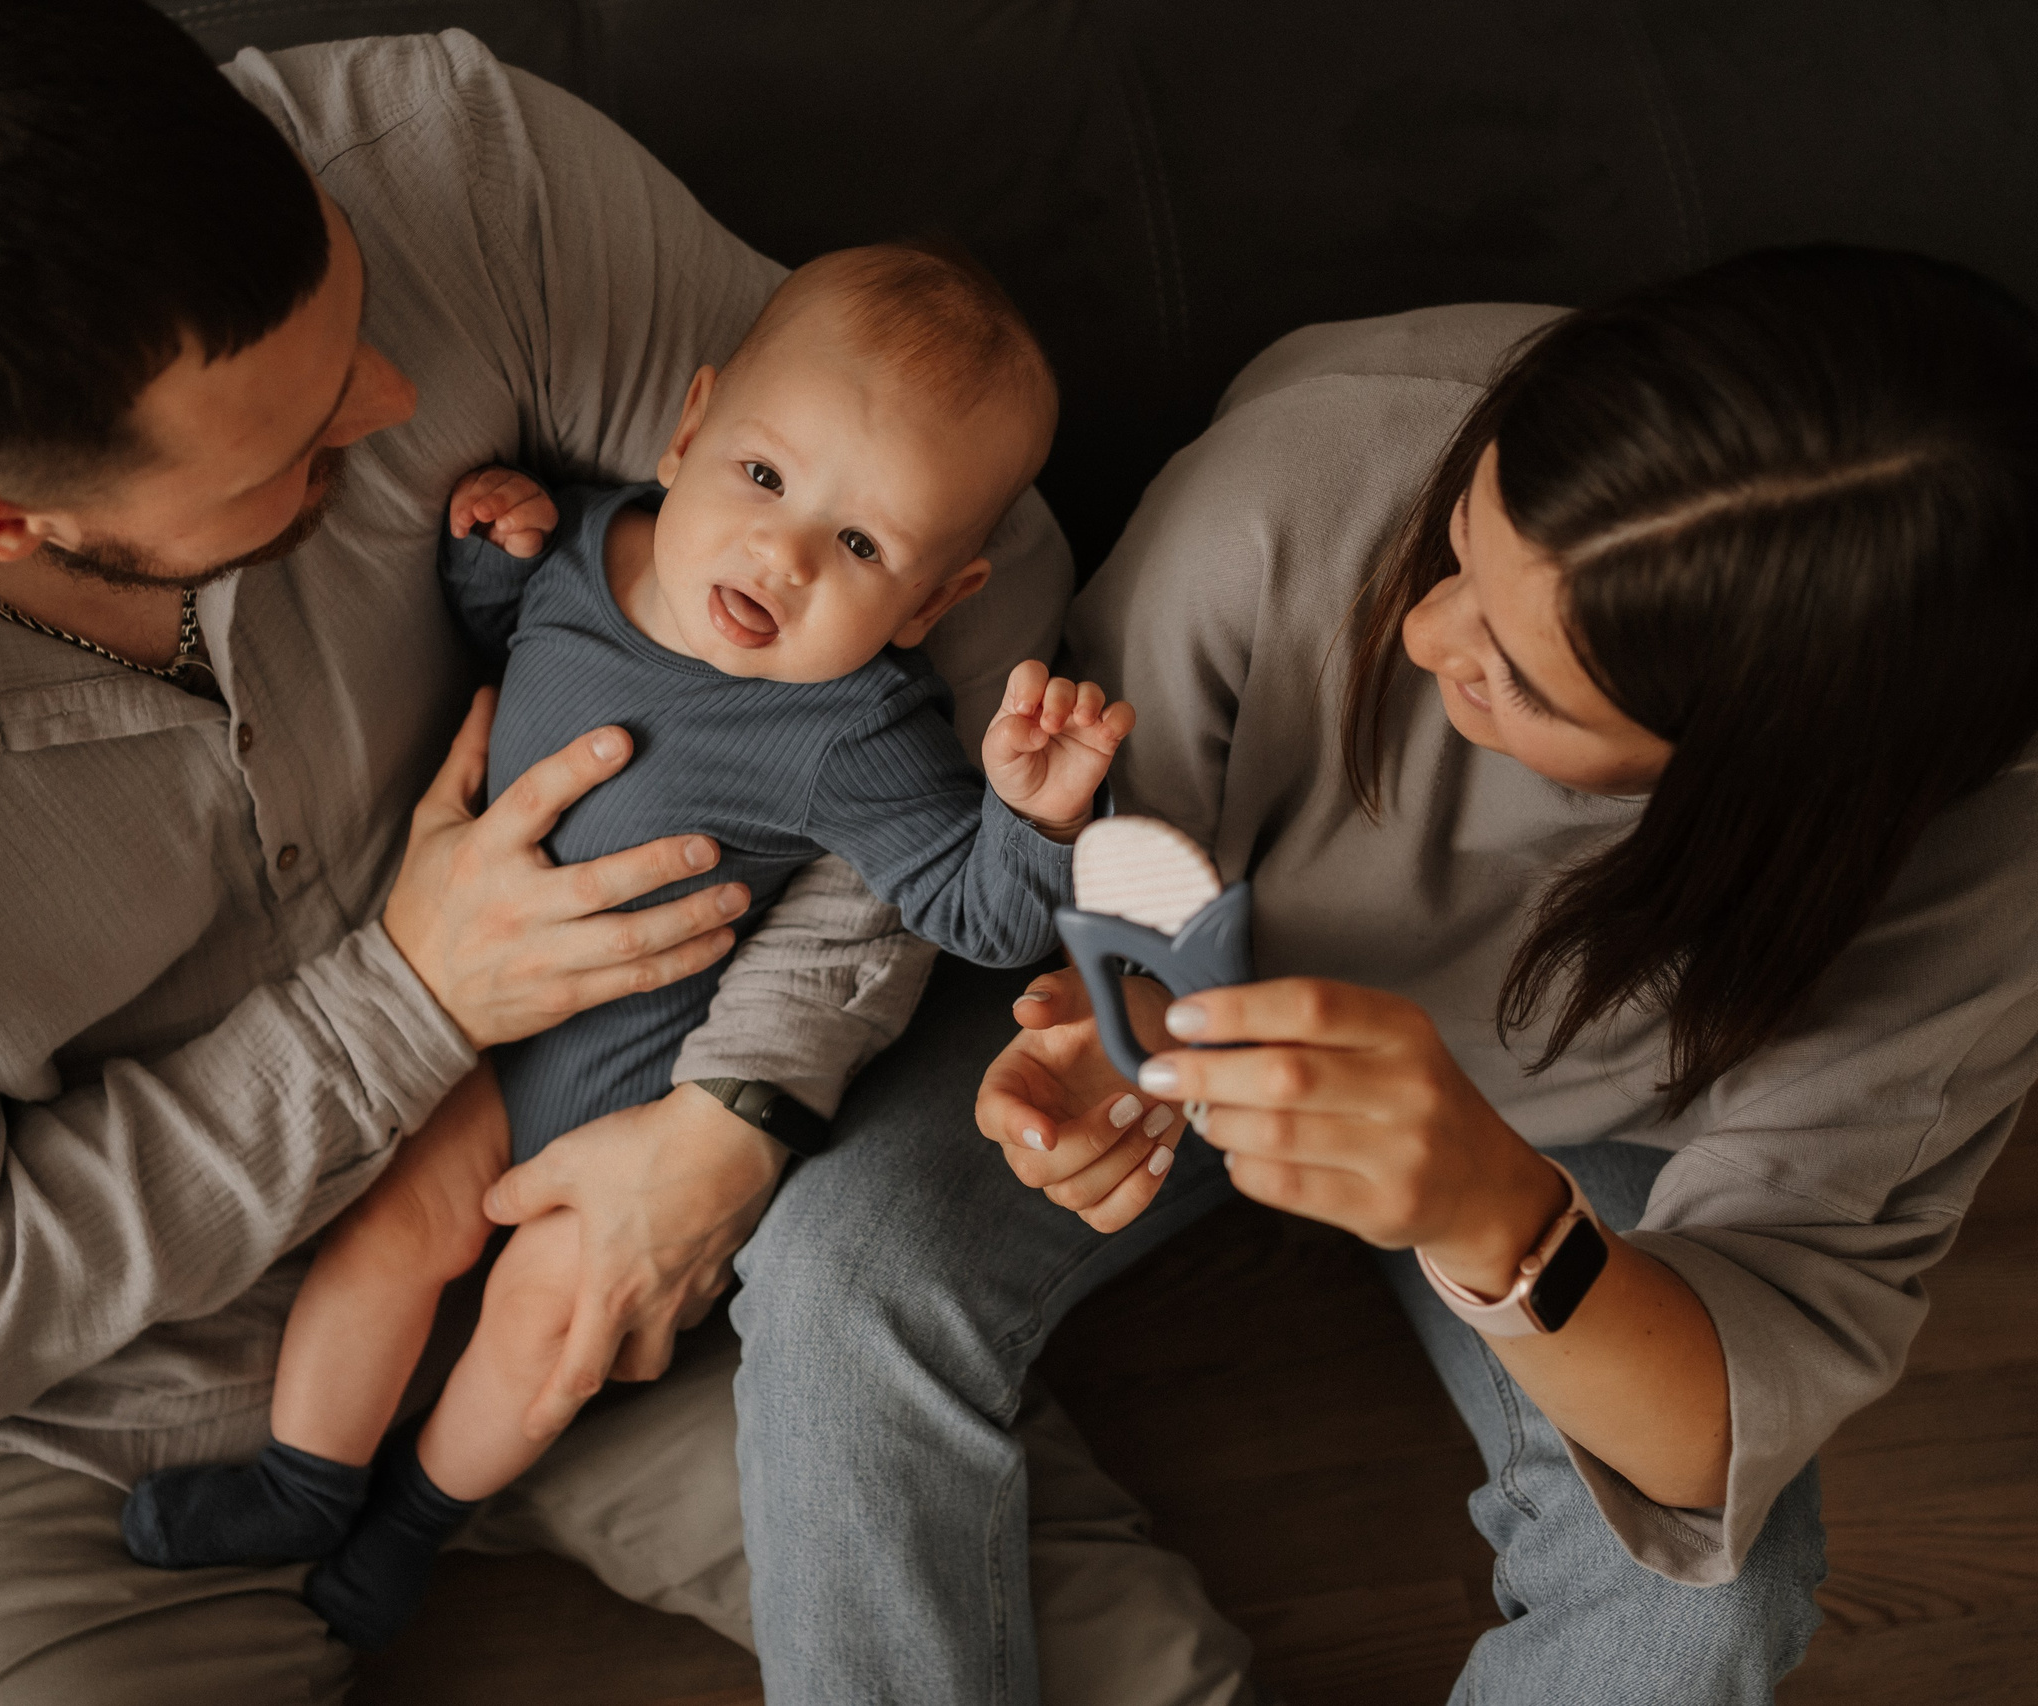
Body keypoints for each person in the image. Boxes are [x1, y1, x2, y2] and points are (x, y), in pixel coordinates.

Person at [0, 0, 1255, 1699]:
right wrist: (406, 995)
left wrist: (736, 1113)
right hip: (104, 1425)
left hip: (628, 1218)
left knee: (1125, 1677)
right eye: (309, 438)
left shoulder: (446, 168)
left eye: (356, 327)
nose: (398, 399)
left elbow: (971, 587)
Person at [732, 245, 2038, 1704]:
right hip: (1207, 976)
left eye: (1520, 685)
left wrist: (1492, 1205)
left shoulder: (1972, 880)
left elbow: (1718, 1426)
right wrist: (1129, 1024)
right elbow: (1102, 856)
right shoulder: (1308, 481)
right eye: (1461, 541)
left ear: (1759, 792)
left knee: (1705, 1609)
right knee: (842, 1268)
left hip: (1572, 1146)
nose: (1425, 638)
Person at [120, 241, 1133, 1650]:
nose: (778, 555)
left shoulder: (859, 728)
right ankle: (302, 1480)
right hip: (483, 1046)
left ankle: (414, 1519)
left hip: (643, 1110)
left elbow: (973, 910)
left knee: (548, 1330)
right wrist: (494, 550)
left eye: (860, 546)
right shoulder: (594, 547)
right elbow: (509, 644)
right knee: (387, 1236)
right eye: (766, 479)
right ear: (689, 427)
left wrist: (1030, 814)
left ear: (934, 602)